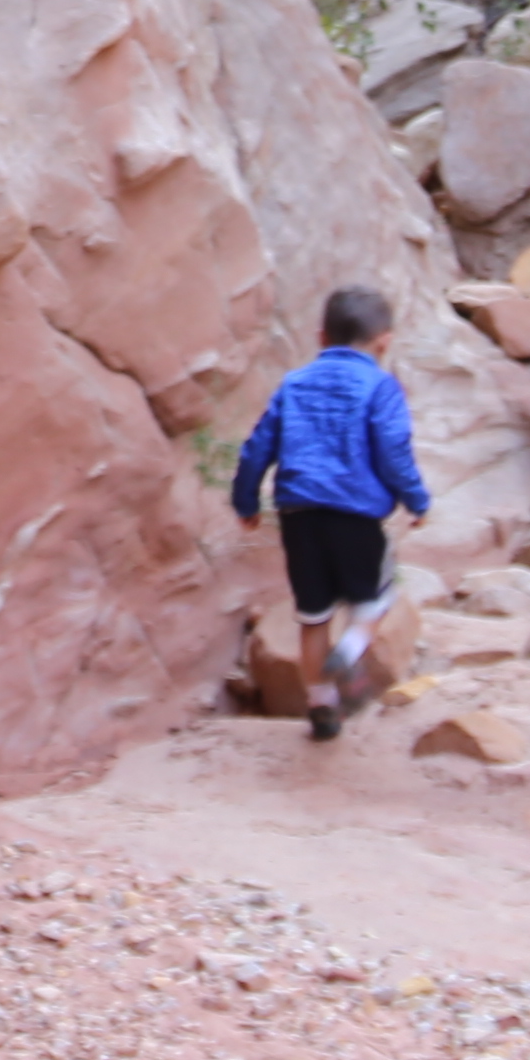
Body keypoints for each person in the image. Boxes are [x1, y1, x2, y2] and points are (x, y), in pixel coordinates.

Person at [227, 282, 429, 740]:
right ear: (384, 341)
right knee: (376, 597)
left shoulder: (294, 384)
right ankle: (353, 647)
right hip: (357, 516)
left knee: (313, 616)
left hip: (300, 517)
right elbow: (394, 451)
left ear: (320, 336)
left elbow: (257, 447)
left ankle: (321, 706)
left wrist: (245, 501)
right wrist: (416, 501)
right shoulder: (382, 387)